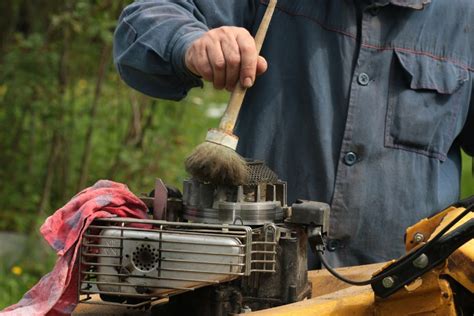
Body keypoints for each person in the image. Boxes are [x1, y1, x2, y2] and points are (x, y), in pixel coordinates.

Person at [113, 0, 474, 268]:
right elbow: (142, 25)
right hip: (255, 285)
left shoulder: (466, 16)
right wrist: (190, 43)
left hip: (409, 293)